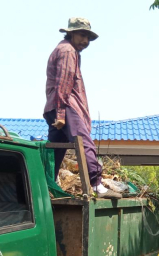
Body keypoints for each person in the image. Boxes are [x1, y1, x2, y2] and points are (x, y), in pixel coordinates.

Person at [44, 17, 120, 199]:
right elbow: (64, 82)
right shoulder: (67, 51)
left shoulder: (65, 49)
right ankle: (96, 185)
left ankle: (46, 186)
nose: (85, 41)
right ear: (70, 33)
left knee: (54, 150)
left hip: (55, 106)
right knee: (84, 143)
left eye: (88, 37)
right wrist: (62, 113)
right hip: (66, 105)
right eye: (82, 35)